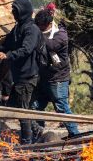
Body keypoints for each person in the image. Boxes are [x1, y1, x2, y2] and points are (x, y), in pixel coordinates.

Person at [0, 0, 41, 144]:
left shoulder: (31, 29)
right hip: (19, 76)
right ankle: (36, 129)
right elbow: (7, 42)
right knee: (15, 104)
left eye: (16, 11)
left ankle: (27, 142)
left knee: (22, 112)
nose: (13, 13)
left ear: (23, 12)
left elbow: (26, 49)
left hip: (27, 76)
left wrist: (8, 55)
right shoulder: (18, 27)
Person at [32, 9, 79, 138]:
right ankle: (38, 133)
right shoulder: (43, 32)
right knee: (35, 107)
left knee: (62, 108)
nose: (39, 28)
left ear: (48, 24)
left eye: (40, 26)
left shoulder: (60, 34)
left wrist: (36, 33)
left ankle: (75, 136)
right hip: (45, 79)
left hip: (58, 79)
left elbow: (51, 46)